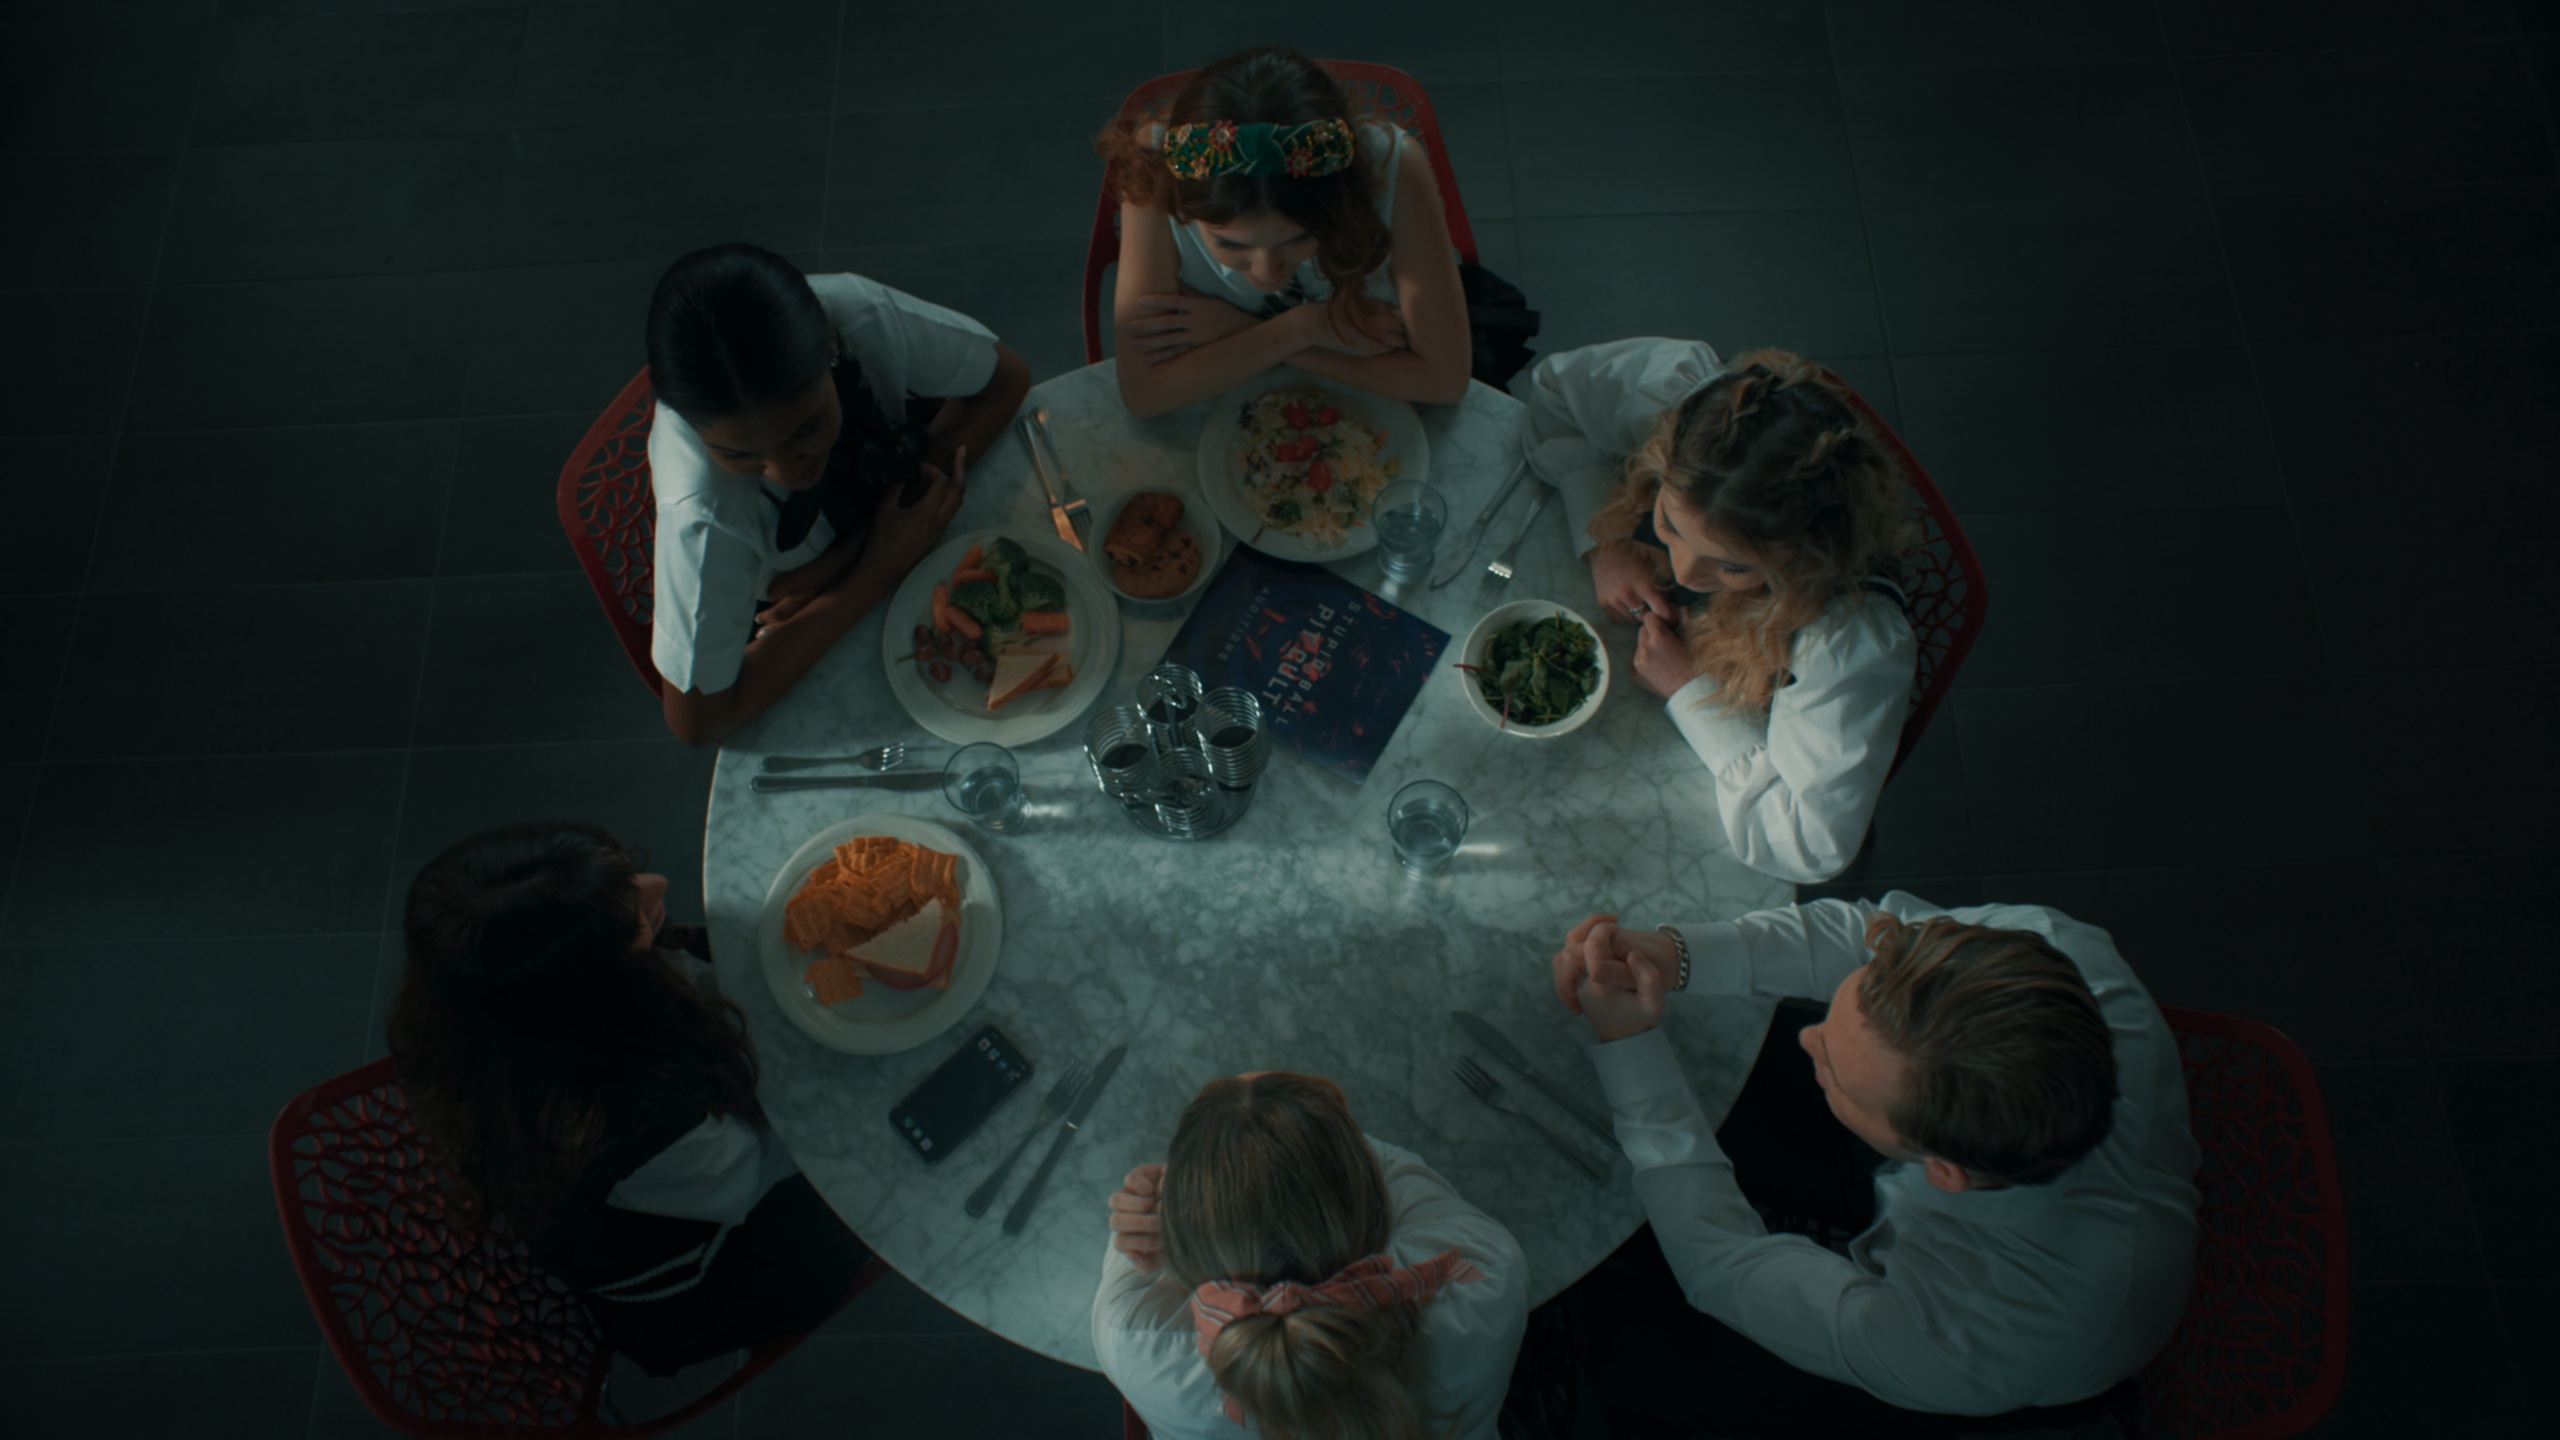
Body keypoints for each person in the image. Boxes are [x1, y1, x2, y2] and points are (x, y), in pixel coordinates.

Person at [1544, 894, 2201, 1436]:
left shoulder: (1961, 1342)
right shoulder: (2057, 946)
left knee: (1631, 1358)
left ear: (1942, 1172)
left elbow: (1724, 1266)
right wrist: (1678, 953)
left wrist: (1631, 1048)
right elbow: (1868, 936)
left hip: (1999, 1383)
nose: (1807, 1039)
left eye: (1835, 1068)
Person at [389, 821, 870, 1375]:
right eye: (635, 917)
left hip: (674, 1174)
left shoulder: (497, 1023)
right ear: (594, 988)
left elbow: (682, 983)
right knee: (878, 1184)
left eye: (628, 875)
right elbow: (761, 1168)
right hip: (706, 1276)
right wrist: (839, 1065)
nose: (659, 885)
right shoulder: (632, 1127)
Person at [1519, 341, 1920, 883]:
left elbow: (1811, 843)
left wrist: (1691, 691)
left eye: (1731, 568)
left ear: (1802, 558)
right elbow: (1552, 394)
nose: (1684, 574)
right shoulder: (1678, 400)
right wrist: (1606, 539)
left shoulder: (1848, 640)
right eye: (1669, 525)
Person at [643, 242, 1031, 746]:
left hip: (826, 576)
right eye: (741, 456)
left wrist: (841, 562)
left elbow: (1006, 379)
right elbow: (700, 719)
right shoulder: (701, 513)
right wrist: (871, 574)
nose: (786, 472)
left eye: (806, 429)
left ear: (829, 351)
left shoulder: (853, 314)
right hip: (787, 612)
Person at [1092, 1071, 1527, 1440]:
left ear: (1184, 1237)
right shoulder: (1483, 1275)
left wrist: (1185, 1202)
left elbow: (1136, 1247)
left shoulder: (1133, 1335)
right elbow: (1393, 1172)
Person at [1094, 46, 1471, 419]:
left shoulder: (1394, 165)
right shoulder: (1158, 166)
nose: (1267, 273)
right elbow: (1144, 391)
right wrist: (1305, 327)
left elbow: (1445, 380)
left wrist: (1243, 332)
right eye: (1229, 243)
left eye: (1298, 239)